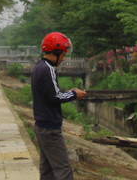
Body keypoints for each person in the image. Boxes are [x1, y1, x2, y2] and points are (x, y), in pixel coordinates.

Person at [31, 32, 86, 180]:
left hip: (42, 125)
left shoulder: (39, 66)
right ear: (55, 52)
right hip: (49, 129)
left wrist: (69, 92)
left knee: (47, 169)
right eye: (62, 55)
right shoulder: (47, 69)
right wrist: (74, 94)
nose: (63, 59)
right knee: (64, 170)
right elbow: (55, 97)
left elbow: (51, 93)